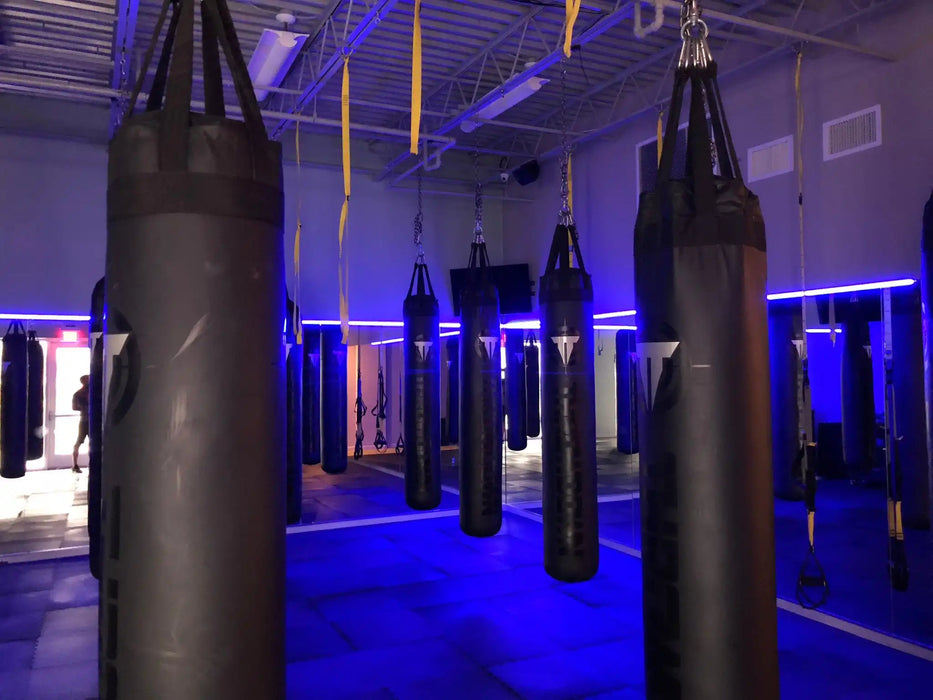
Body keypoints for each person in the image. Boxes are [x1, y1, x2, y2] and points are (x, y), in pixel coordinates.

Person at [72, 375, 89, 473]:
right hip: (84, 421)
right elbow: (74, 407)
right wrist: (84, 407)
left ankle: (91, 463)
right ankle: (75, 464)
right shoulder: (78, 394)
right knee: (79, 442)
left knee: (91, 443)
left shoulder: (79, 394)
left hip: (87, 420)